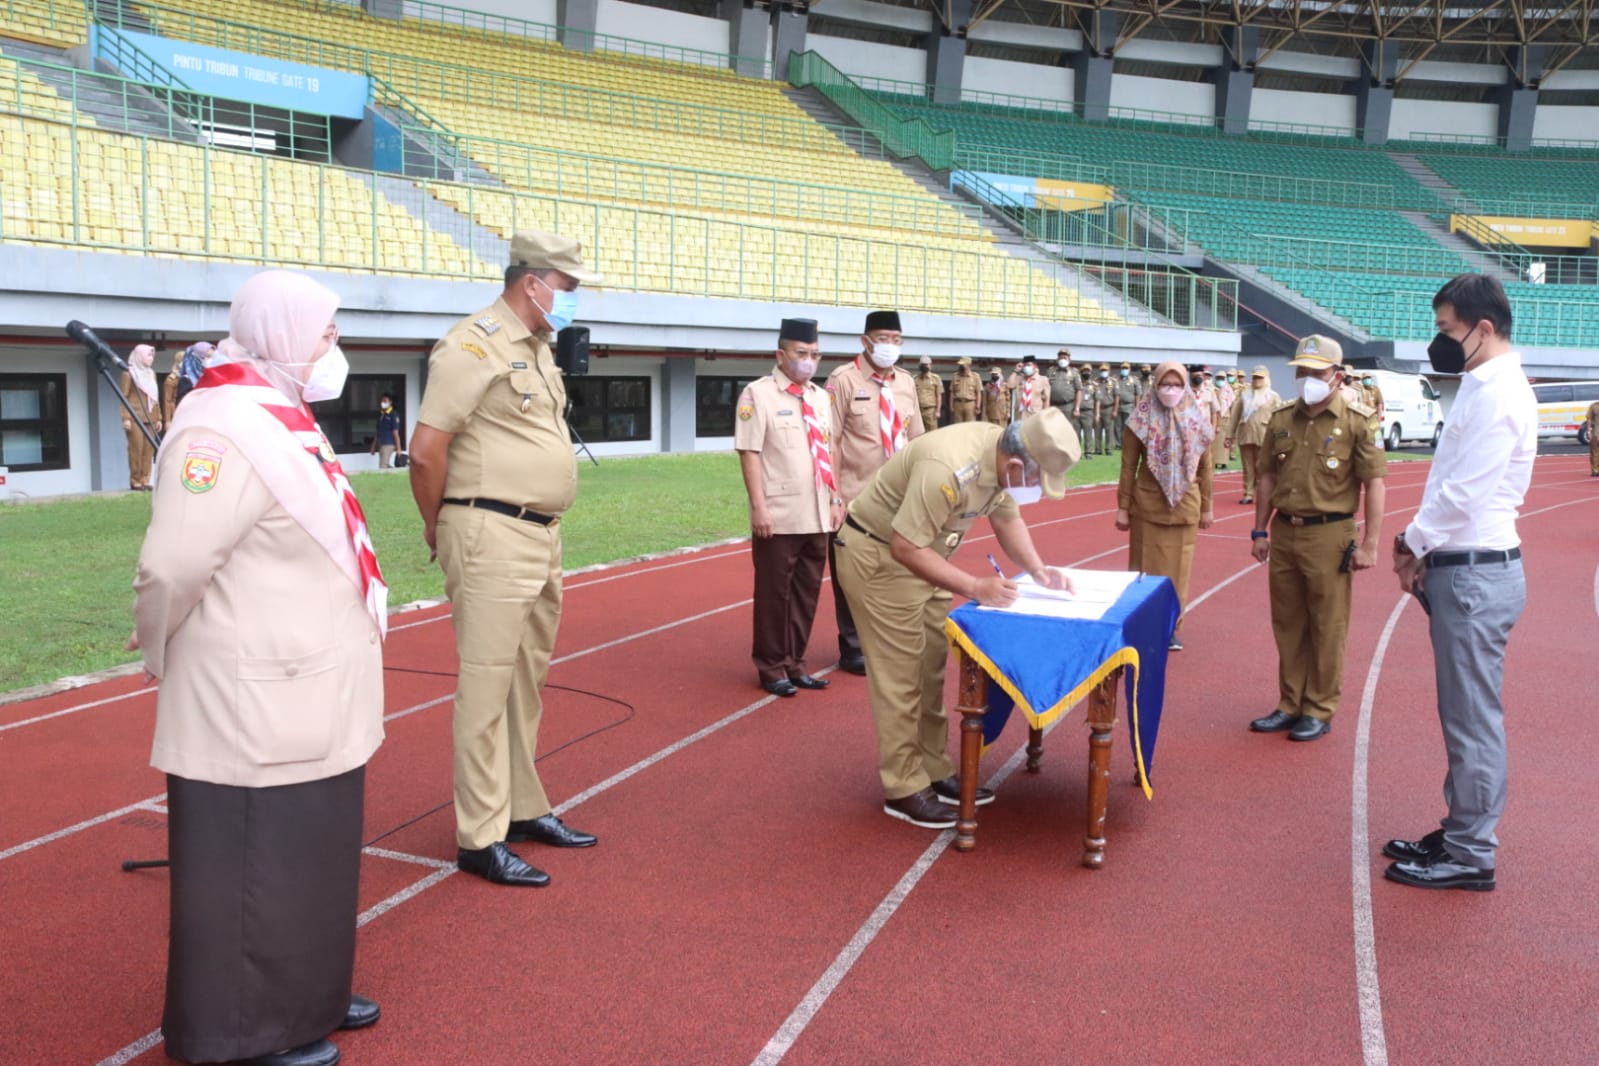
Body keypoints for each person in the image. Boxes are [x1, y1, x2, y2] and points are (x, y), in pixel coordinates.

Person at [131, 269, 386, 1066]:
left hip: (303, 689)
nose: (333, 345)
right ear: (279, 332)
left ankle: (304, 993)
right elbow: (172, 566)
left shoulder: (275, 410)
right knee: (252, 867)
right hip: (251, 693)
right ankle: (242, 1032)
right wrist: (160, 651)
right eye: (325, 331)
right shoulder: (222, 426)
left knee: (305, 854)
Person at [409, 230, 601, 889]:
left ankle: (522, 807)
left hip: (538, 535)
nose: (571, 303)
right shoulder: (471, 346)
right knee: (487, 686)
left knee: (525, 683)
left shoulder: (538, 350)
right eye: (567, 290)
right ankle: (478, 835)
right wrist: (440, 529)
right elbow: (426, 450)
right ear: (534, 284)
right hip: (488, 530)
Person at [834, 408, 1081, 828]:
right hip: (882, 558)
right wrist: (975, 587)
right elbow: (905, 547)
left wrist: (1038, 570)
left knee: (929, 669)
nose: (1038, 490)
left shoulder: (1001, 455)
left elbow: (1006, 517)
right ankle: (904, 787)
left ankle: (933, 767)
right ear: (1018, 465)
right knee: (901, 678)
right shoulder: (948, 468)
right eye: (1039, 480)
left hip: (927, 557)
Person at [1386, 274, 1537, 892]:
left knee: (1472, 718)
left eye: (1448, 329)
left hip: (1475, 573)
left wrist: (1408, 543)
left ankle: (1472, 851)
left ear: (1482, 328)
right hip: (1465, 568)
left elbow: (1464, 495)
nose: (1439, 341)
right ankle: (1460, 829)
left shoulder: (1500, 395)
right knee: (1462, 713)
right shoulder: (1481, 386)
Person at [1248, 335, 1386, 742]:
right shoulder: (1282, 418)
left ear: (1337, 376)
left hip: (1331, 534)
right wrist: (1259, 529)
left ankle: (1319, 708)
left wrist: (1371, 544)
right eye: (1302, 372)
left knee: (1327, 625)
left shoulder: (1359, 421)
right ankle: (1290, 703)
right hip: (1285, 532)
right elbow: (1267, 476)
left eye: (1315, 373)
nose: (1307, 379)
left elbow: (1374, 484)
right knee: (1288, 623)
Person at [737, 317, 843, 697]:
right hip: (779, 514)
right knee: (773, 594)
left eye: (815, 354)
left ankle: (796, 663)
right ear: (781, 354)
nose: (809, 361)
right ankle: (771, 666)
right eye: (801, 353)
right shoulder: (758, 394)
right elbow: (749, 453)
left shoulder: (819, 396)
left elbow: (828, 451)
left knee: (806, 592)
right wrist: (758, 507)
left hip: (816, 512)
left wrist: (835, 498)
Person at [825, 310, 924, 676]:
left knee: (895, 570)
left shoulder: (906, 382)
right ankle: (853, 646)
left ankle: (886, 639)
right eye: (883, 338)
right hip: (857, 495)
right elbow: (830, 439)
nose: (890, 346)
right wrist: (834, 495)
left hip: (899, 496)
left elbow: (917, 438)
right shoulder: (843, 380)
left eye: (897, 339)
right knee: (852, 573)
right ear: (865, 341)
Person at [1115, 361, 1215, 651]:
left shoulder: (1198, 420)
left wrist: (1207, 507)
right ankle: (1140, 624)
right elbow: (1127, 467)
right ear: (1155, 385)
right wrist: (1123, 506)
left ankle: (1171, 627)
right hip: (1147, 506)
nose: (1170, 390)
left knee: (1178, 572)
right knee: (1143, 570)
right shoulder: (1140, 419)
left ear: (1185, 386)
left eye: (1176, 385)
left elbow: (1206, 469)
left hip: (1185, 507)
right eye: (1164, 384)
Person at [1225, 365, 1280, 504]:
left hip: (1264, 435)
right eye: (1255, 377)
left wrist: (1280, 437)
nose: (1257, 380)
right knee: (1248, 467)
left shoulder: (1272, 396)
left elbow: (1280, 418)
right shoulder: (1244, 395)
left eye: (1260, 377)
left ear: (1266, 378)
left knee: (1262, 466)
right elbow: (1235, 417)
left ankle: (1264, 493)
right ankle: (1248, 493)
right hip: (1246, 434)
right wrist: (1229, 436)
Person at [120, 343, 162, 491]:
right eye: (148, 355)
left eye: (152, 355)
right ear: (139, 356)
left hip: (150, 417)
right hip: (135, 416)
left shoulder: (151, 374)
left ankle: (145, 479)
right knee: (136, 449)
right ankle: (135, 480)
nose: (151, 358)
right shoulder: (129, 373)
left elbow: (155, 398)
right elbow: (123, 397)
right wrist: (125, 418)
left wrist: (158, 418)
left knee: (148, 449)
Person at [1046, 347, 1080, 435]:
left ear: (1069, 359)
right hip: (1053, 406)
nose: (1062, 359)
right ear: (1057, 359)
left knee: (1068, 430)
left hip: (1068, 406)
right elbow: (1046, 387)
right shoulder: (1050, 371)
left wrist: (1077, 408)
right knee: (1053, 429)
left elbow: (1079, 391)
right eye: (1060, 357)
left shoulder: (1074, 373)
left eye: (1065, 358)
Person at [1007, 354, 1050, 420]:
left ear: (1035, 366)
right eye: (1025, 365)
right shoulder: (1019, 378)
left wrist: (1045, 416)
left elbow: (1046, 399)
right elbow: (1009, 385)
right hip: (1020, 415)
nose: (1026, 367)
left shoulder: (1043, 380)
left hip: (1036, 415)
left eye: (1029, 365)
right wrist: (1015, 371)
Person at [1211, 369, 1237, 470]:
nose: (1220, 380)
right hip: (1216, 419)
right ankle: (1215, 461)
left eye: (1222, 378)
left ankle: (1224, 461)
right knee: (1215, 442)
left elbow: (1233, 405)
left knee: (1225, 442)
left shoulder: (1229, 391)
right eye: (1218, 378)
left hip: (1226, 418)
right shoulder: (1213, 390)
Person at [370, 393, 404, 468]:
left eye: (385, 401)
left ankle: (383, 478)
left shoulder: (393, 414)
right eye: (382, 401)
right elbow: (377, 432)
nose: (383, 403)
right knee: (385, 464)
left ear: (390, 402)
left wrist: (399, 449)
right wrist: (373, 446)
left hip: (388, 444)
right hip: (381, 444)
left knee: (383, 465)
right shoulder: (381, 414)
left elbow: (396, 433)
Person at [1111, 361, 1138, 447]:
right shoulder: (1116, 379)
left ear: (1129, 369)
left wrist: (1137, 408)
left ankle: (1127, 443)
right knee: (1117, 426)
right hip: (1118, 406)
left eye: (1126, 368)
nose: (1124, 370)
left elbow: (1137, 394)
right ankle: (1118, 444)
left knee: (1127, 427)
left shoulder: (1134, 380)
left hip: (1129, 406)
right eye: (1123, 368)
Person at [913, 355, 943, 431]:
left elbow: (938, 396)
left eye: (926, 365)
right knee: (918, 432)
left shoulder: (936, 378)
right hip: (918, 411)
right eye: (922, 365)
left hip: (931, 410)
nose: (924, 367)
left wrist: (938, 411)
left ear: (930, 365)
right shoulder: (915, 379)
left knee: (932, 433)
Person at [949, 356, 979, 422]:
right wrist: (951, 406)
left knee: (970, 425)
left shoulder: (975, 377)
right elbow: (952, 392)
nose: (960, 366)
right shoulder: (955, 376)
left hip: (970, 404)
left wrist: (977, 406)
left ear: (968, 365)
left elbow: (978, 392)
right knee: (958, 425)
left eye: (963, 364)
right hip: (958, 404)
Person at [1587, 395, 1599, 476]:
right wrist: (1589, 431)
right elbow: (1589, 419)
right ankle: (1595, 470)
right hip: (1596, 432)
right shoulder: (1594, 406)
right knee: (1594, 452)